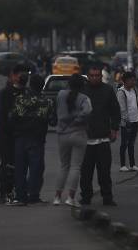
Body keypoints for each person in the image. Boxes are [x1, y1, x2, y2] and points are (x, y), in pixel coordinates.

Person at [80, 62, 121, 207]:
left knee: (104, 172)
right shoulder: (82, 91)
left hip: (103, 139)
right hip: (85, 140)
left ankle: (107, 197)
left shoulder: (108, 90)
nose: (94, 78)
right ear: (88, 76)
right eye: (92, 76)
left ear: (101, 76)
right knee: (86, 172)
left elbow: (115, 111)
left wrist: (114, 129)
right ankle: (86, 197)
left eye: (97, 75)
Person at [12, 71, 53, 204]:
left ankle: (20, 196)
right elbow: (53, 121)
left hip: (20, 138)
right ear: (42, 86)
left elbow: (12, 117)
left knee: (20, 169)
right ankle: (33, 195)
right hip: (37, 138)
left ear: (30, 85)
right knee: (36, 168)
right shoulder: (46, 102)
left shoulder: (19, 99)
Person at [54, 72, 91, 206]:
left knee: (64, 165)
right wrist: (77, 120)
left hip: (62, 134)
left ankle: (57, 197)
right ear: (82, 86)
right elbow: (87, 111)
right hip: (78, 133)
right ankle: (70, 198)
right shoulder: (84, 98)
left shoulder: (60, 95)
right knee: (76, 167)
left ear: (69, 84)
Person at [0, 64, 27, 203]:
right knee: (7, 164)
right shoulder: (4, 93)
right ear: (12, 76)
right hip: (7, 135)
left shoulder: (25, 92)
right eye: (18, 74)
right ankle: (5, 192)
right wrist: (8, 129)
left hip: (20, 135)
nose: (21, 77)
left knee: (19, 165)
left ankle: (16, 191)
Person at [116, 71, 138, 168]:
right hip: (127, 123)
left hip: (135, 120)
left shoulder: (134, 90)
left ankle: (132, 164)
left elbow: (136, 104)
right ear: (126, 81)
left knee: (131, 144)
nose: (133, 82)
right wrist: (126, 121)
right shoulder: (121, 92)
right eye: (131, 80)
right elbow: (122, 109)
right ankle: (123, 165)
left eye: (134, 80)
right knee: (124, 143)